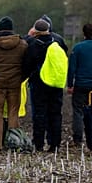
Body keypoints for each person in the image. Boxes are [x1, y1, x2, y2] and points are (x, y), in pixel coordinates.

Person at [22, 18, 68, 152]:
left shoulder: (34, 44)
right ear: (48, 30)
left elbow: (27, 65)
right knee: (55, 113)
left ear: (35, 31)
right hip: (56, 83)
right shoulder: (58, 41)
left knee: (40, 114)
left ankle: (39, 143)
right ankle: (55, 144)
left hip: (39, 83)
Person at [0, 16, 28, 151]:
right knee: (13, 113)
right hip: (15, 84)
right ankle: (14, 143)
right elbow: (26, 63)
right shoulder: (22, 44)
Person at [68, 23, 92, 148]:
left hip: (81, 85)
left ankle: (77, 138)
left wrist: (70, 84)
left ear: (84, 34)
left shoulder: (77, 48)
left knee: (78, 111)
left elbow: (72, 68)